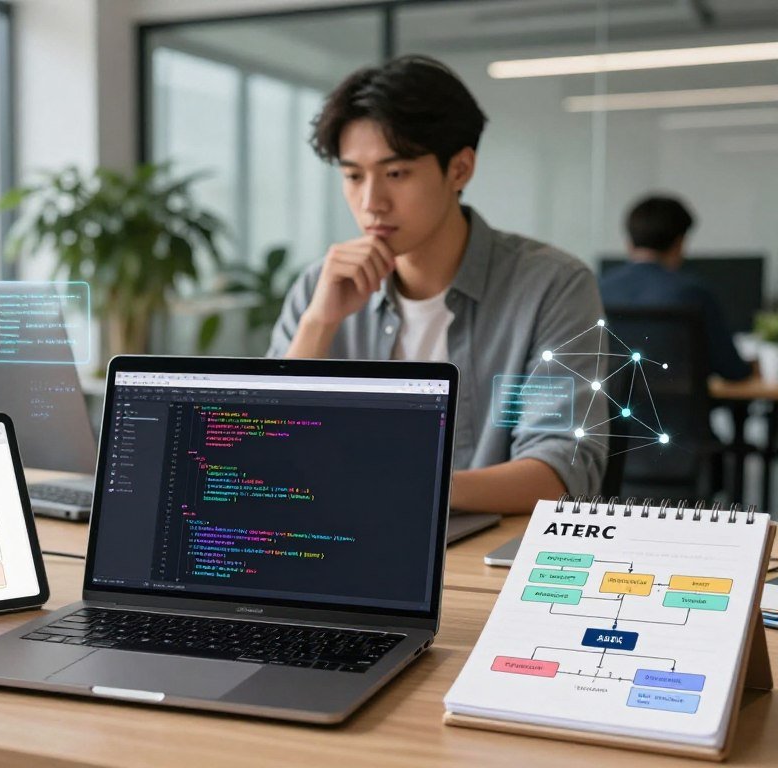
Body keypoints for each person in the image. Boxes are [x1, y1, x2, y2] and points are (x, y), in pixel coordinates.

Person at [267, 55, 606, 515]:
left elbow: (559, 471)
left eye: (395, 174)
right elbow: (266, 455)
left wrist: (406, 487)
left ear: (459, 169)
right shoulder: (319, 286)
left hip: (483, 551)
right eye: (353, 176)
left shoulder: (552, 286)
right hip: (337, 536)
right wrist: (318, 324)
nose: (371, 202)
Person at [599, 195, 752, 381]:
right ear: (679, 242)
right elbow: (732, 370)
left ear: (629, 242)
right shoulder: (694, 293)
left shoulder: (598, 290)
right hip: (680, 400)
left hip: (613, 399)